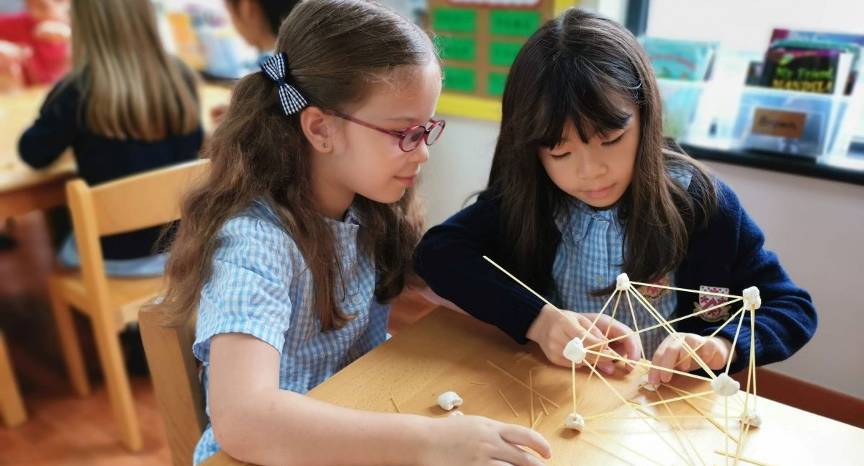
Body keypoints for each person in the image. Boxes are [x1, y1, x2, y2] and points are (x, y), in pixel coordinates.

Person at [161, 1, 552, 465]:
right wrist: (429, 442)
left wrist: (541, 320)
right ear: (321, 129)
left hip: (358, 423)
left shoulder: (370, 209)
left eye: (426, 129)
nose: (422, 152)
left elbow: (445, 279)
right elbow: (243, 419)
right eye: (404, 133)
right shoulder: (254, 243)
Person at [414, 8, 817, 385]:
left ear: (645, 117)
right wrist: (539, 320)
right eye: (559, 152)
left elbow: (791, 308)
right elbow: (438, 254)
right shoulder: (530, 197)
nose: (590, 170)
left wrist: (722, 344)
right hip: (561, 389)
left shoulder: (701, 204)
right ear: (531, 148)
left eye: (610, 139)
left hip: (663, 401)